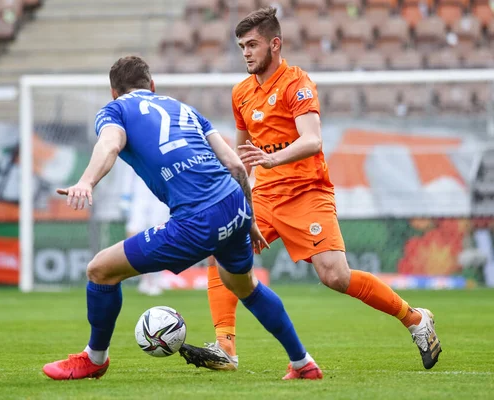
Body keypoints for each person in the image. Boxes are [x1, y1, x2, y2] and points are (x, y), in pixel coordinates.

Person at [178, 7, 442, 375]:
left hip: (307, 192)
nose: (246, 53)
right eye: (241, 46)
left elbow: (313, 141)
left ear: (275, 44)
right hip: (266, 196)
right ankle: (225, 347)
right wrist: (241, 194)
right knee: (221, 251)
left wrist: (273, 160)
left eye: (252, 44)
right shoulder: (241, 93)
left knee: (335, 276)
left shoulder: (297, 84)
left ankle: (415, 319)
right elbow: (244, 156)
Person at [42, 55, 323, 381]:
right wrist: (250, 219)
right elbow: (234, 164)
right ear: (152, 86)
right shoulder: (185, 109)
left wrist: (86, 181)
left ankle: (94, 358)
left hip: (198, 219)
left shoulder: (115, 110)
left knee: (100, 270)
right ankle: (303, 362)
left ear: (113, 92)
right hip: (235, 203)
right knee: (245, 286)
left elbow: (110, 144)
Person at [121, 168, 169, 296]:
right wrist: (125, 197)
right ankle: (145, 278)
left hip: (159, 198)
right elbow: (129, 175)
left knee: (159, 236)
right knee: (135, 233)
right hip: (139, 197)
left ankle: (157, 277)